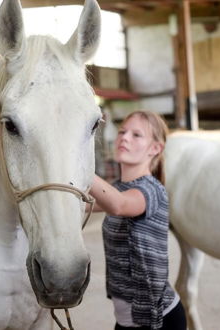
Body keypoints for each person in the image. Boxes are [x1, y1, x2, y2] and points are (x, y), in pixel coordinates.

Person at [89, 111, 187, 330]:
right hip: (125, 321)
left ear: (155, 149)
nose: (124, 137)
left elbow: (120, 205)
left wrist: (81, 166)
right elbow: (81, 204)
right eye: (122, 132)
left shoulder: (152, 189)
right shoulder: (116, 187)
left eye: (136, 135)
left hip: (160, 320)